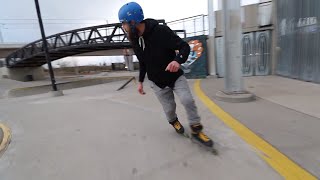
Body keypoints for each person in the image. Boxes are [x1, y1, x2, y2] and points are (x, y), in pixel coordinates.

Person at [118, 2, 213, 147]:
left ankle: (196, 129)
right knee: (169, 109)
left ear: (133, 22)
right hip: (157, 82)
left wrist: (177, 61)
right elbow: (143, 63)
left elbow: (184, 47)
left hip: (175, 77)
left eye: (123, 24)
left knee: (187, 100)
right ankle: (174, 121)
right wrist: (141, 82)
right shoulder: (135, 41)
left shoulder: (161, 32)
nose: (123, 28)